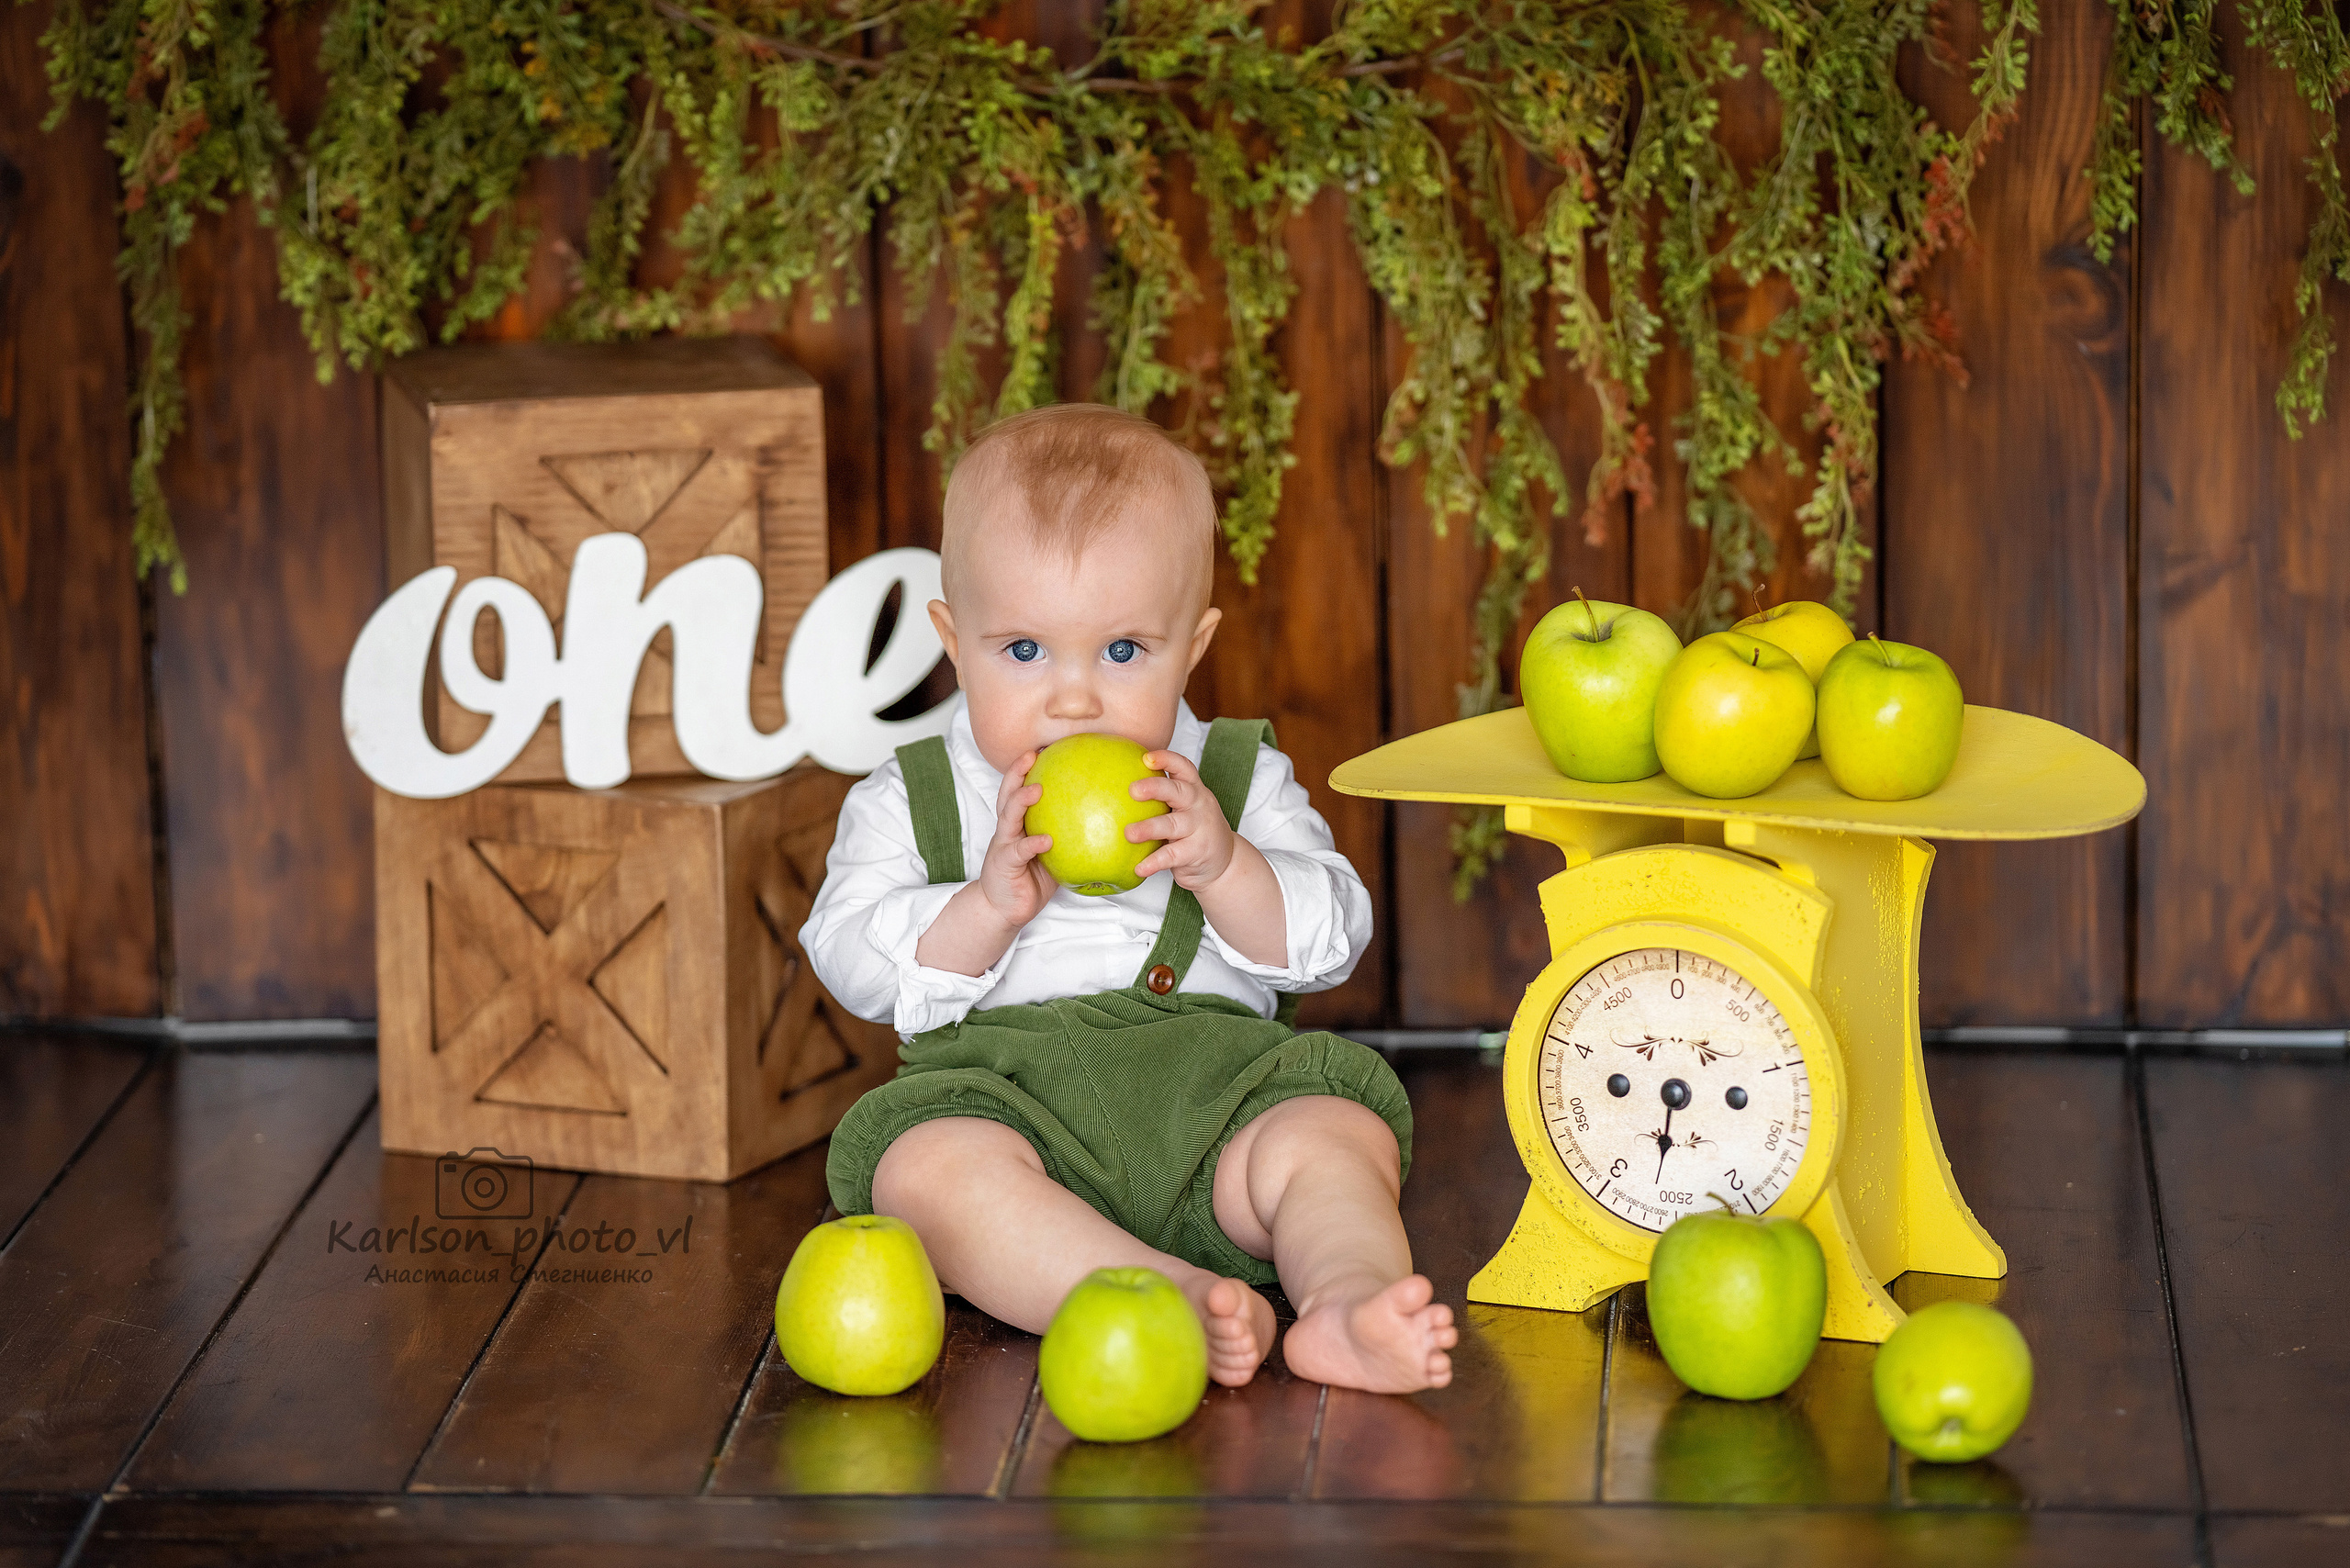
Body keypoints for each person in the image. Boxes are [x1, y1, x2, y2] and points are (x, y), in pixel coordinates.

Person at [800, 404, 1455, 1393]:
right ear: (954, 639)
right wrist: (983, 906)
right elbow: (846, 956)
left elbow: (1332, 938)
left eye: (1121, 652)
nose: (1074, 700)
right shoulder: (911, 795)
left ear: (1189, 648)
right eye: (1023, 651)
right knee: (926, 1170)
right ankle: (1157, 1292)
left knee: (1331, 1130)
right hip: (1012, 1120)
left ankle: (1346, 1301)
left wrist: (1225, 864)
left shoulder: (1231, 775)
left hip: (1220, 1115)